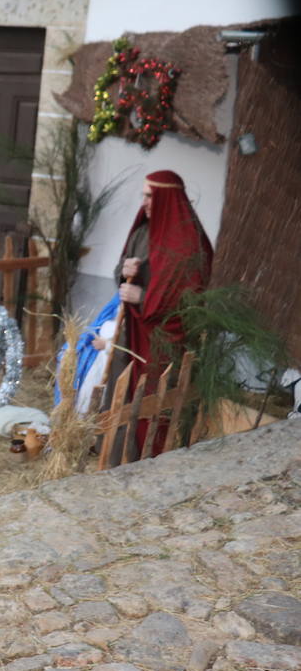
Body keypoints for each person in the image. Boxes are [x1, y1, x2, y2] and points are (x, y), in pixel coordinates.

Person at [102, 170, 213, 459]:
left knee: (153, 403)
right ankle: (116, 461)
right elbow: (121, 272)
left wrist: (143, 298)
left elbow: (189, 298)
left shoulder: (189, 243)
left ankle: (147, 462)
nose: (145, 202)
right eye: (144, 195)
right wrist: (123, 271)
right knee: (122, 396)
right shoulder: (141, 232)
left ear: (166, 197)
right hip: (131, 334)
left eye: (150, 196)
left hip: (162, 340)